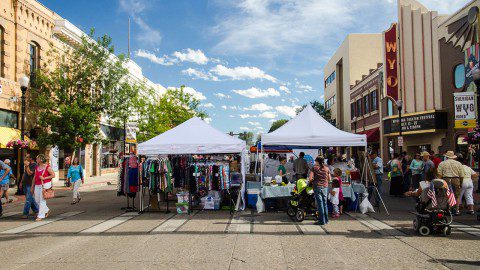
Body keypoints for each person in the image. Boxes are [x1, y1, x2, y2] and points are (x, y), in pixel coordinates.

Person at [437, 151, 464, 215]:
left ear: (446, 156)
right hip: (456, 179)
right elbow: (462, 175)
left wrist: (439, 182)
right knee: (457, 196)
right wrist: (461, 182)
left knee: (446, 195)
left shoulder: (442, 163)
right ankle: (457, 210)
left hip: (446, 179)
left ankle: (448, 209)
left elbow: (439, 174)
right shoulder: (458, 163)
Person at [309, 156, 330, 225]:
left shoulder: (314, 168)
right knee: (325, 204)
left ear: (317, 161)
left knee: (320, 204)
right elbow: (329, 179)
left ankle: (321, 221)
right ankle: (326, 220)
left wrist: (313, 180)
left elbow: (310, 178)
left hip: (317, 186)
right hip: (325, 187)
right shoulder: (327, 168)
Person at [34, 154, 55, 221]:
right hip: (37, 184)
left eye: (37, 159)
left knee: (42, 200)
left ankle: (40, 216)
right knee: (37, 200)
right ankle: (46, 210)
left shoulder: (47, 167)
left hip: (45, 184)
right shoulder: (37, 167)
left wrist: (44, 178)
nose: (36, 160)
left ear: (40, 160)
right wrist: (32, 186)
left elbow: (53, 175)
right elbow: (35, 177)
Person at [20, 154, 39, 219]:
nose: (26, 158)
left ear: (31, 158)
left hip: (30, 184)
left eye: (27, 157)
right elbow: (25, 173)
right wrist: (21, 182)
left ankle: (25, 213)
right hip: (25, 183)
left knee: (28, 199)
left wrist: (27, 166)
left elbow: (30, 173)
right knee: (31, 198)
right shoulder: (27, 165)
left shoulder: (34, 165)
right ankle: (37, 210)